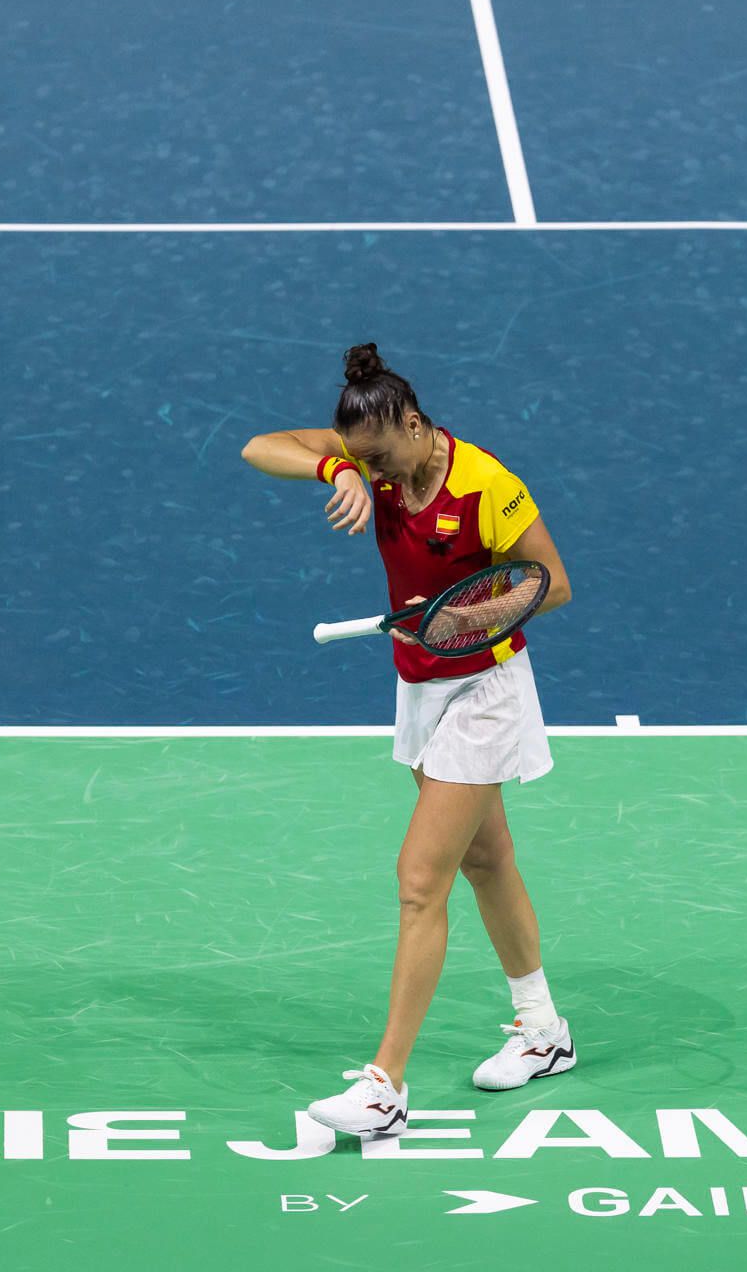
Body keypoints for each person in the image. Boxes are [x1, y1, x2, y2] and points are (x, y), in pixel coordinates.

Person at [239, 343, 576, 1136]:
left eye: (382, 458)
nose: (377, 473)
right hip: (420, 687)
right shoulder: (370, 456)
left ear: (417, 424)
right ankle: (543, 1033)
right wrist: (340, 472)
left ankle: (385, 1087)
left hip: (486, 690)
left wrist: (465, 617)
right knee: (486, 860)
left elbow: (550, 584)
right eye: (365, 461)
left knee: (421, 879)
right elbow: (259, 447)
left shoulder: (487, 485)